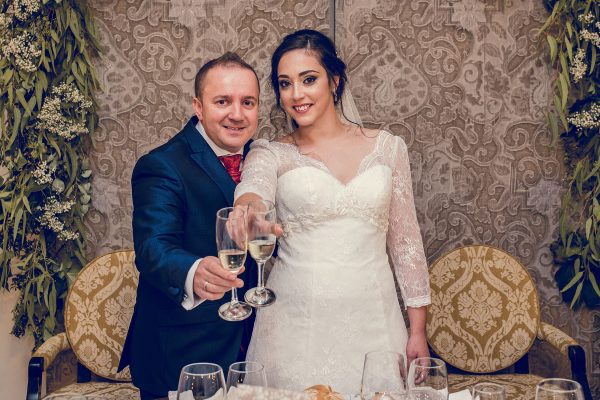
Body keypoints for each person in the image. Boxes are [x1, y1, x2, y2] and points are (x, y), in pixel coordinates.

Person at [234, 29, 431, 395]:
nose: (296, 94)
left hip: (375, 322)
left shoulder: (388, 148)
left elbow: (406, 244)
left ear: (334, 81)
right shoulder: (270, 152)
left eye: (309, 79)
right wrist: (247, 208)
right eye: (285, 83)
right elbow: (253, 189)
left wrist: (417, 330)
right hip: (295, 326)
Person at [118, 52, 260, 400]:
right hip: (184, 353)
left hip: (256, 352)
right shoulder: (162, 164)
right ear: (198, 106)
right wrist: (193, 271)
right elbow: (154, 247)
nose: (237, 114)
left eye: (248, 102)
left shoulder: (263, 160)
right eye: (222, 101)